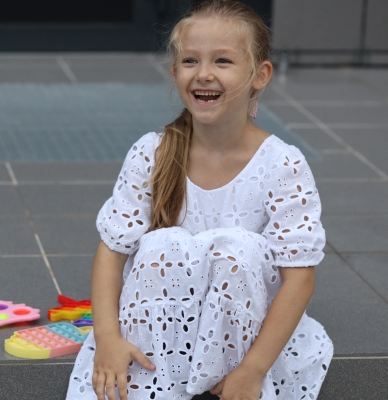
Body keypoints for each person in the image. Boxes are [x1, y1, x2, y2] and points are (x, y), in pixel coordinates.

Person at [65, 1, 333, 399]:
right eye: (190, 60)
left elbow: (299, 277)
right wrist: (107, 338)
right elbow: (112, 251)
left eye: (223, 61)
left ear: (260, 75)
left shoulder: (282, 165)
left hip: (247, 345)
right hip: (162, 336)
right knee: (160, 245)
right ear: (174, 72)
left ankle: (231, 378)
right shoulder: (151, 154)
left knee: (237, 249)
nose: (203, 74)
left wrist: (253, 370)